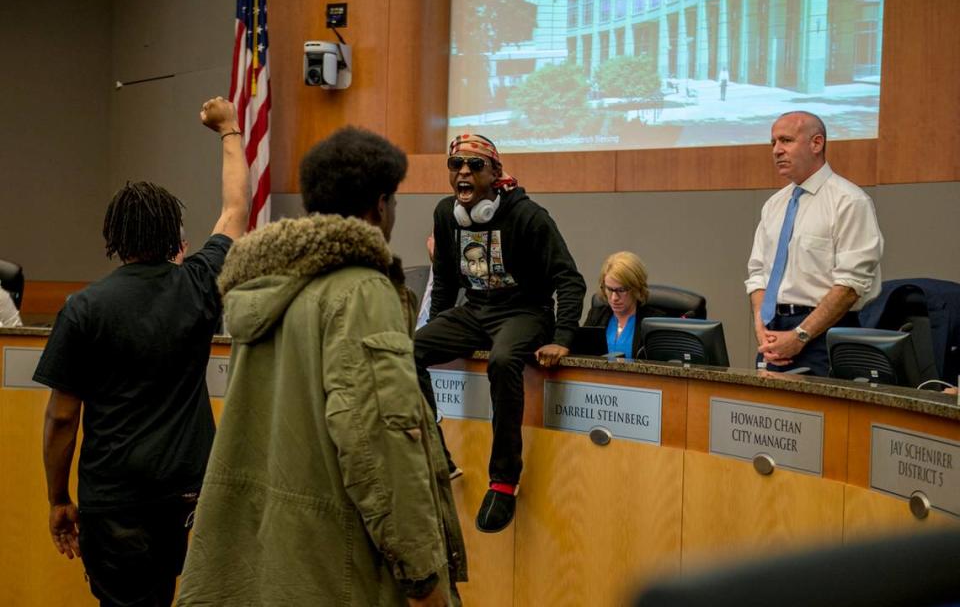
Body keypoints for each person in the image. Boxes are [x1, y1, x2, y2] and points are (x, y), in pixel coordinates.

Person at [177, 127, 467, 606]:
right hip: (342, 567)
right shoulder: (363, 291)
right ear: (379, 205)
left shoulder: (269, 284)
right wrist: (422, 575)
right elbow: (380, 443)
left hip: (271, 563)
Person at [34, 96, 249, 606]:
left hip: (114, 497)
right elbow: (236, 211)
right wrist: (230, 130)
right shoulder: (197, 285)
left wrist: (58, 498)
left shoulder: (82, 308)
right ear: (176, 236)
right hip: (187, 493)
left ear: (114, 239)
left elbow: (63, 419)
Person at [415, 133, 586, 533]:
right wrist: (435, 326)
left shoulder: (529, 216)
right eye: (455, 165)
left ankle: (504, 481)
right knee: (408, 350)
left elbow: (570, 279)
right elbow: (444, 283)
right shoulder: (445, 215)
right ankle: (436, 454)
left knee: (504, 359)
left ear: (495, 173)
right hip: (476, 309)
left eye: (474, 166)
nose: (463, 172)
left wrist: (563, 336)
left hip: (525, 312)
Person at [746, 111, 883, 377]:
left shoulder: (849, 201)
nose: (776, 150)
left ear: (816, 143)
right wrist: (760, 325)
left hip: (824, 335)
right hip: (773, 332)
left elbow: (850, 285)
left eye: (785, 140)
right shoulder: (774, 205)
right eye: (773, 143)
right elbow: (758, 274)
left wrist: (800, 336)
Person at [583, 251, 665, 360]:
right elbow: (582, 356)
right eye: (609, 289)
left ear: (636, 288)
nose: (614, 298)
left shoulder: (654, 321)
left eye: (621, 290)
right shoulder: (596, 315)